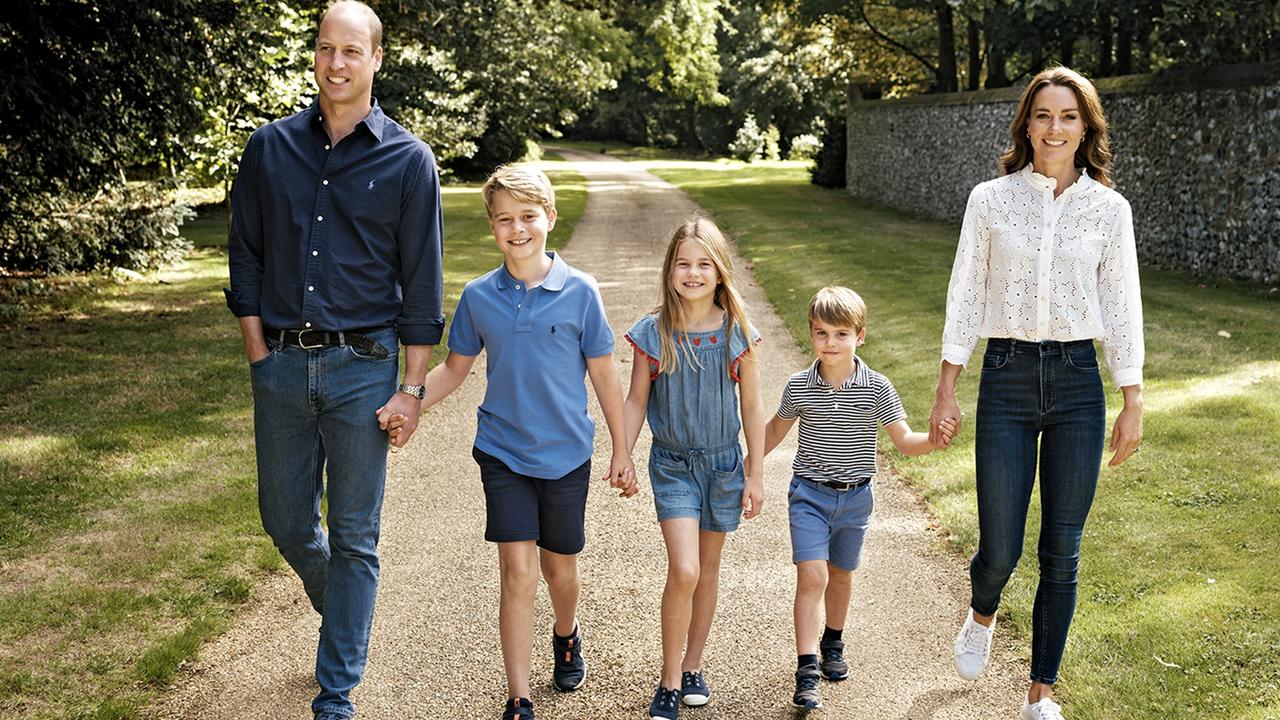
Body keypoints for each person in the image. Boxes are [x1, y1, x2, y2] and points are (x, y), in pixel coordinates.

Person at [223, 2, 442, 718]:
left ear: (377, 60)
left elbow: (423, 284)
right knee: (286, 521)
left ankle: (336, 691)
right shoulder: (269, 148)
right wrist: (258, 349)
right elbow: (246, 254)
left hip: (364, 368)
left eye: (352, 50)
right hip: (281, 366)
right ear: (314, 55)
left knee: (355, 534)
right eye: (325, 49)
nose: (336, 64)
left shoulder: (410, 160)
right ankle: (345, 615)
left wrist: (411, 388)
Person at [929, 66, 1144, 720]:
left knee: (1062, 549)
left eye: (1069, 116)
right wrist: (947, 387)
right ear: (1026, 123)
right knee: (1000, 548)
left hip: (1079, 384)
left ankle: (1039, 693)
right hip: (1007, 378)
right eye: (1043, 115)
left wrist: (1132, 397)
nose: (1055, 128)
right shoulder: (989, 200)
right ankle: (982, 612)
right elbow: (966, 295)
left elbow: (1123, 305)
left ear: (1087, 128)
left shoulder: (1110, 211)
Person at [388, 164, 636, 720]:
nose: (517, 229)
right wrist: (413, 402)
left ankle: (567, 632)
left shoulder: (581, 292)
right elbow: (455, 368)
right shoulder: (479, 296)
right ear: (492, 227)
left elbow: (604, 373)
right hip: (502, 451)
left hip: (567, 453)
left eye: (528, 216)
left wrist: (622, 448)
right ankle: (518, 697)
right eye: (505, 220)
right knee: (517, 572)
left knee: (560, 568)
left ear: (549, 217)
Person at [763, 286, 955, 710]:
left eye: (841, 334)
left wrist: (934, 442)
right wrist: (746, 466)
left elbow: (903, 440)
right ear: (811, 335)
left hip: (856, 500)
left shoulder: (877, 388)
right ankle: (807, 666)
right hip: (809, 496)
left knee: (842, 575)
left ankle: (833, 641)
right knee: (812, 576)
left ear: (860, 336)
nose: (830, 343)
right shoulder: (799, 386)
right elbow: (775, 430)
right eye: (821, 333)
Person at [621, 218, 766, 720]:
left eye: (704, 264)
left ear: (720, 272)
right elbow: (637, 399)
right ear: (669, 270)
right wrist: (623, 451)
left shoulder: (736, 332)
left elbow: (751, 407)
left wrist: (755, 472)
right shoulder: (653, 331)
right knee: (684, 569)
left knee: (706, 572)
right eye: (683, 263)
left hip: (724, 466)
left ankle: (693, 665)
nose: (693, 272)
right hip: (674, 465)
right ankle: (667, 680)